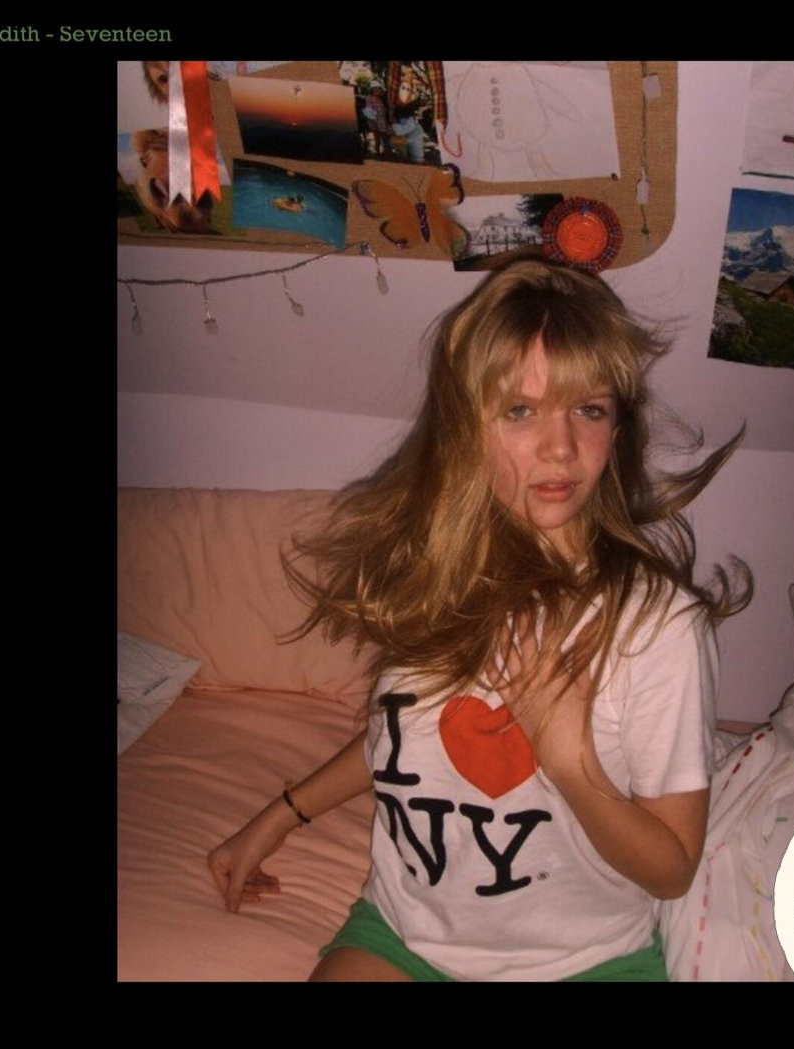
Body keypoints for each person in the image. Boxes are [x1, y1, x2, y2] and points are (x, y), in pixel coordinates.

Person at [207, 255, 751, 981]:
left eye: (588, 409)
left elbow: (673, 868)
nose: (560, 448)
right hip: (405, 934)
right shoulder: (433, 577)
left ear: (617, 430)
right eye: (520, 410)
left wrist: (569, 761)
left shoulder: (657, 629)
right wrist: (277, 817)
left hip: (582, 961)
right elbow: (402, 735)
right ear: (467, 430)